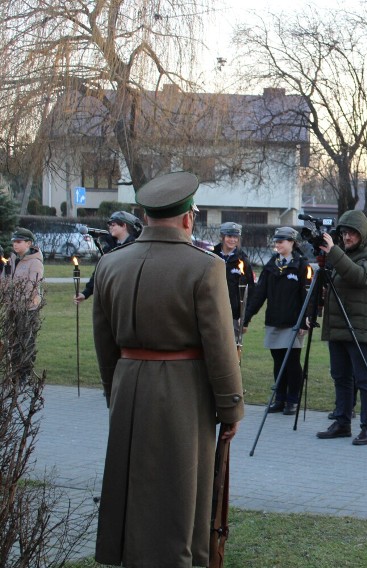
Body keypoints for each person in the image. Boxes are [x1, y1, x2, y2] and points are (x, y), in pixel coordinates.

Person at [91, 171, 244, 567]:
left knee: (132, 487)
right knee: (180, 491)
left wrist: (116, 392)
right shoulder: (204, 266)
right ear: (188, 218)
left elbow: (104, 343)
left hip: (128, 387)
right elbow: (221, 346)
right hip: (183, 392)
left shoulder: (109, 264)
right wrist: (231, 409)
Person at [315, 210, 367, 446]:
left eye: (352, 233)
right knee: (341, 377)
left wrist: (334, 252)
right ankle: (342, 422)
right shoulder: (343, 254)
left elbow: (360, 277)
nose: (346, 237)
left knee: (363, 379)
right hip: (339, 325)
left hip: (360, 328)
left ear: (362, 233)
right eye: (344, 232)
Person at [244, 227, 309, 416]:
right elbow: (259, 294)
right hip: (274, 320)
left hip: (293, 322)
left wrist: (306, 321)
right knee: (278, 360)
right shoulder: (271, 265)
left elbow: (307, 295)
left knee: (292, 362)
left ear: (292, 243)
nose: (278, 244)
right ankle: (280, 398)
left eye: (282, 241)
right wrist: (247, 317)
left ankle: (292, 400)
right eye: (277, 241)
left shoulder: (301, 265)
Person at [74, 211, 142, 304]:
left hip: (130, 299)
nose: (110, 227)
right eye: (109, 225)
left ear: (124, 226)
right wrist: (85, 293)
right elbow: (99, 273)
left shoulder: (136, 248)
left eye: (113, 225)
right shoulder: (108, 248)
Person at [213, 221, 256, 338]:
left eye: (235, 237)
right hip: (213, 311)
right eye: (229, 236)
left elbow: (250, 289)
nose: (232, 240)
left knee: (233, 350)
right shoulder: (212, 256)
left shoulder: (242, 260)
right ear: (222, 237)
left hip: (234, 315)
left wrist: (244, 317)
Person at [8, 228, 44, 310]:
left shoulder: (35, 262)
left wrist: (19, 300)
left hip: (28, 308)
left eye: (19, 242)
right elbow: (5, 279)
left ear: (28, 243)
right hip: (11, 306)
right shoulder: (12, 259)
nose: (15, 244)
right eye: (14, 242)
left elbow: (33, 285)